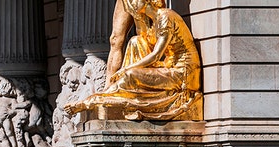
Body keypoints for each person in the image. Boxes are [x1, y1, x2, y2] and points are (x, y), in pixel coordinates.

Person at [65, 0, 201, 121]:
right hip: (171, 66)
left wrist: (127, 69)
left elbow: (156, 54)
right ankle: (109, 92)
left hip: (181, 72)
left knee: (141, 43)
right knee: (127, 40)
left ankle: (112, 96)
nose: (133, 3)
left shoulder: (165, 16)